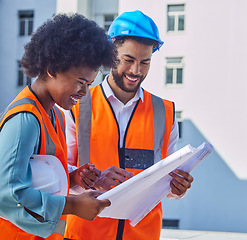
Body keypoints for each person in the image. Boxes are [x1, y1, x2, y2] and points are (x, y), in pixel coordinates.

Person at [63, 10, 194, 240]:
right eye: (128, 60)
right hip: (85, 234)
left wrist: (177, 189)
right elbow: (59, 174)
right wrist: (91, 180)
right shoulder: (76, 106)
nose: (136, 71)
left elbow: (165, 180)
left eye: (145, 62)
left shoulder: (165, 113)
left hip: (143, 235)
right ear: (110, 54)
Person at [0, 13, 115, 240]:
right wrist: (71, 206)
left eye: (90, 84)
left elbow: (36, 175)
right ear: (52, 68)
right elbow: (6, 195)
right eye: (80, 82)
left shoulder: (55, 114)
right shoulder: (25, 119)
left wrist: (73, 179)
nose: (84, 93)